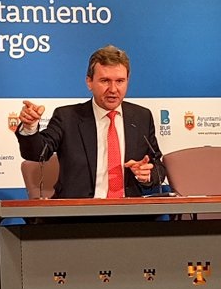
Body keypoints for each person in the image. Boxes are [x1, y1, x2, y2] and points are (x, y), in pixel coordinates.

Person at [16, 45, 164, 198]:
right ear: (89, 82)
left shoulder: (141, 117)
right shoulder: (67, 117)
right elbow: (38, 153)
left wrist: (147, 174)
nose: (113, 89)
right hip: (79, 209)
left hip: (129, 208)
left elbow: (158, 166)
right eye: (105, 81)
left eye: (120, 81)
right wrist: (29, 127)